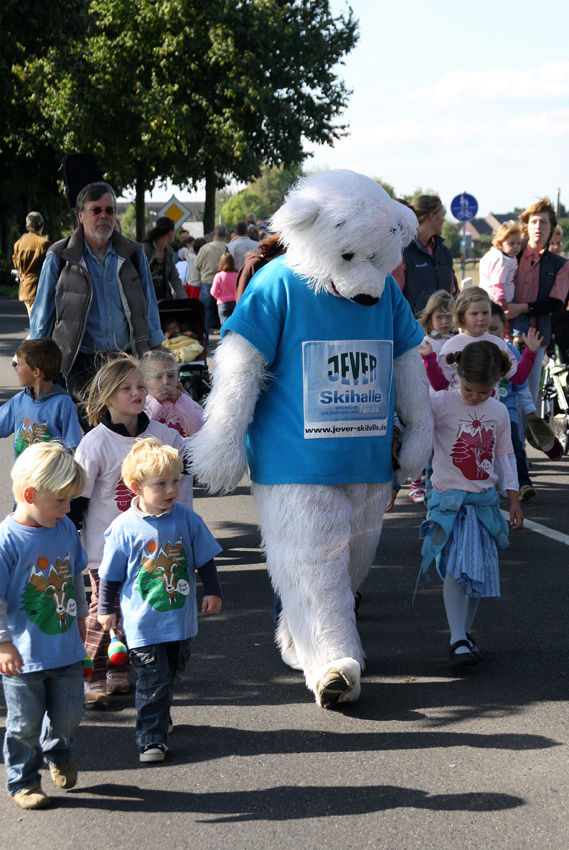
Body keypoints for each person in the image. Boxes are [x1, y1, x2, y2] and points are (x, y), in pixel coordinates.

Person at [72, 356, 193, 709]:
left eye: (141, 386)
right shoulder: (95, 443)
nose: (137, 393)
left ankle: (117, 671)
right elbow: (78, 500)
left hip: (153, 546)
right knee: (101, 611)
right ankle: (90, 677)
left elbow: (187, 477)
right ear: (107, 397)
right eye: (126, 388)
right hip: (104, 548)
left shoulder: (164, 436)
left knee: (134, 607)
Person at [97, 438, 222, 763]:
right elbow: (109, 575)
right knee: (154, 678)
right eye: (161, 484)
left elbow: (205, 559)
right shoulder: (123, 528)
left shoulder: (185, 518)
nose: (171, 490)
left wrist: (212, 590)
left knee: (173, 672)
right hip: (143, 624)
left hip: (180, 620)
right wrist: (105, 609)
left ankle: (159, 707)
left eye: (174, 481)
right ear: (137, 487)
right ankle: (150, 738)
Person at [419, 341, 523, 666]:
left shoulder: (498, 412)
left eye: (483, 391)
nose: (475, 397)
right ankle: (457, 638)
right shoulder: (440, 403)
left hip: (483, 503)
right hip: (449, 502)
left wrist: (514, 500)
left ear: (496, 384)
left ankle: (462, 634)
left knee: (479, 573)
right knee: (457, 567)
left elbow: (506, 457)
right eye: (468, 389)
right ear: (457, 374)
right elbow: (416, 430)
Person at [0, 442, 88, 809]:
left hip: (66, 648)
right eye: (61, 501)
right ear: (31, 494)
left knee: (70, 713)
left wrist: (83, 621)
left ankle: (58, 748)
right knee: (23, 725)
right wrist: (3, 644)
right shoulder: (7, 540)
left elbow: (75, 579)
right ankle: (23, 781)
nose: (68, 509)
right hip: (23, 656)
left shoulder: (64, 526)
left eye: (71, 501)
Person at [30, 182, 165, 412]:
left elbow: (150, 309)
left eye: (110, 210)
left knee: (127, 427)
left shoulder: (133, 255)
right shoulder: (60, 256)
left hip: (125, 360)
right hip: (79, 363)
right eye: (96, 210)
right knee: (93, 430)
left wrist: (159, 359)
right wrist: (39, 368)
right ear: (81, 215)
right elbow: (41, 319)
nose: (104, 216)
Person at [507, 198, 569, 406]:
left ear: (551, 227)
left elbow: (555, 302)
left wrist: (522, 309)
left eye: (544, 222)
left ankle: (525, 438)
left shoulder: (560, 264)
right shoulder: (511, 254)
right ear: (527, 225)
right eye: (534, 221)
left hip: (536, 338)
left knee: (528, 398)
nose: (538, 227)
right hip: (505, 332)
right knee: (501, 394)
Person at [420, 289, 540, 393]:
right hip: (459, 414)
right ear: (462, 316)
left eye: (485, 313)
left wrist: (531, 352)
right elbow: (441, 386)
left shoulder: (498, 343)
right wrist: (429, 359)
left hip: (490, 413)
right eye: (474, 314)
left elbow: (518, 378)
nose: (481, 318)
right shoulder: (451, 345)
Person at [488, 303, 540, 501]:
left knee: (515, 447)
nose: (489, 333)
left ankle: (523, 483)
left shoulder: (511, 353)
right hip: (482, 412)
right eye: (485, 329)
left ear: (505, 329)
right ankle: (491, 484)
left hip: (506, 412)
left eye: (494, 329)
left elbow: (521, 385)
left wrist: (530, 409)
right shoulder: (476, 351)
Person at [406, 291, 454, 504]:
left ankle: (442, 486)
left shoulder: (457, 340)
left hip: (450, 401)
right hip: (427, 400)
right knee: (425, 445)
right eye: (439, 317)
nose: (444, 321)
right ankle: (416, 482)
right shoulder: (424, 342)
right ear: (430, 318)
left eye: (449, 316)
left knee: (444, 447)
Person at [0, 338, 81, 459]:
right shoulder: (18, 401)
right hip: (23, 477)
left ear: (36, 372)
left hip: (51, 476)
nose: (16, 368)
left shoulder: (63, 403)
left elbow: (73, 448)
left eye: (20, 364)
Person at [391, 195, 457, 317]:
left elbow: (452, 292)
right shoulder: (403, 251)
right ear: (431, 216)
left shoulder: (444, 252)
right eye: (442, 215)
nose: (444, 220)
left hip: (444, 330)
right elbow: (394, 297)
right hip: (414, 329)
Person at [141, 350, 203, 438]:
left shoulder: (184, 400)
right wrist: (157, 403)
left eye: (171, 376)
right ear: (146, 382)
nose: (166, 382)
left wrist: (180, 400)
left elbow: (201, 429)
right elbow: (141, 432)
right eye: (158, 377)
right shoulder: (143, 404)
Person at [12, 212, 50, 320]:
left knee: (34, 323)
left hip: (24, 288)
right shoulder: (44, 243)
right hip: (39, 289)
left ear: (27, 226)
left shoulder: (18, 243)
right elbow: (50, 267)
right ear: (41, 226)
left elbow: (15, 263)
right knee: (38, 327)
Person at [141, 216, 187, 301]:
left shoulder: (169, 252)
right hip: (146, 301)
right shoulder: (145, 249)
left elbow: (174, 278)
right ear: (170, 232)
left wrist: (184, 299)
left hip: (164, 300)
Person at [478, 220, 522, 311]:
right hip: (499, 302)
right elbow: (498, 283)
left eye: (518, 243)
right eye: (512, 243)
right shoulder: (502, 260)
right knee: (520, 321)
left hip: (490, 299)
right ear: (500, 244)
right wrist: (502, 300)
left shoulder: (496, 255)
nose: (516, 246)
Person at [195, 224, 228, 339]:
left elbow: (197, 265)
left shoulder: (205, 248)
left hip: (207, 282)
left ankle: (204, 338)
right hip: (224, 283)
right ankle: (226, 340)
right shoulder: (227, 247)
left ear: (214, 234)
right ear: (226, 235)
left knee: (206, 313)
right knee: (224, 314)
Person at [211, 252, 238, 325]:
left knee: (224, 326)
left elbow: (213, 292)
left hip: (222, 303)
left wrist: (218, 297)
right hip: (235, 302)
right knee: (234, 325)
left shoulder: (219, 276)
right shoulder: (237, 275)